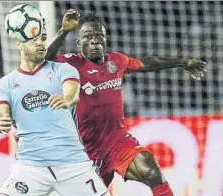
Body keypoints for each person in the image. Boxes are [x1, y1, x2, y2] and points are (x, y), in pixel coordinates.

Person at [45, 10, 207, 196]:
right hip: (84, 152)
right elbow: (45, 61)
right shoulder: (71, 64)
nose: (95, 40)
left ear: (105, 39)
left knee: (151, 171)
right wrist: (63, 31)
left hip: (117, 142)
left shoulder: (117, 61)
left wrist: (183, 62)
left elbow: (148, 63)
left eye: (99, 36)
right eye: (88, 36)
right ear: (78, 42)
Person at [0, 8, 110, 196]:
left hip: (73, 165)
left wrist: (67, 98)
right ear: (19, 44)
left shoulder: (63, 70)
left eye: (43, 38)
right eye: (34, 39)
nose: (40, 43)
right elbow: (0, 114)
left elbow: (72, 92)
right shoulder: (4, 85)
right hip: (30, 168)